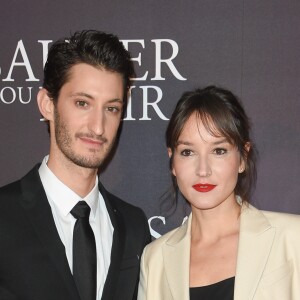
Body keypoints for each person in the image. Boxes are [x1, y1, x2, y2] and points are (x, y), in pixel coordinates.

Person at [0, 30, 151, 300]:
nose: (97, 126)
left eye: (111, 108)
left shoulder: (134, 225)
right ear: (48, 104)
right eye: (83, 103)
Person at [138, 86, 300, 300]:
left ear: (242, 157)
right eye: (188, 152)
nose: (203, 170)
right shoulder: (154, 259)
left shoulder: (292, 238)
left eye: (219, 151)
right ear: (173, 161)